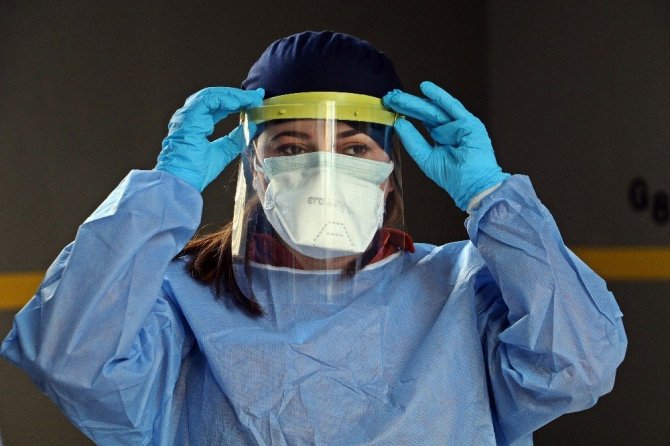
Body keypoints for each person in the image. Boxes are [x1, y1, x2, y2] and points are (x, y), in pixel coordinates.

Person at [1, 31, 626, 445]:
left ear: (389, 170)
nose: (324, 171)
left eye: (353, 149)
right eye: (291, 147)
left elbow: (579, 364)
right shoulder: (180, 301)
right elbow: (68, 358)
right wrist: (166, 189)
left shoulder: (464, 292)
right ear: (255, 168)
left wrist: (491, 197)